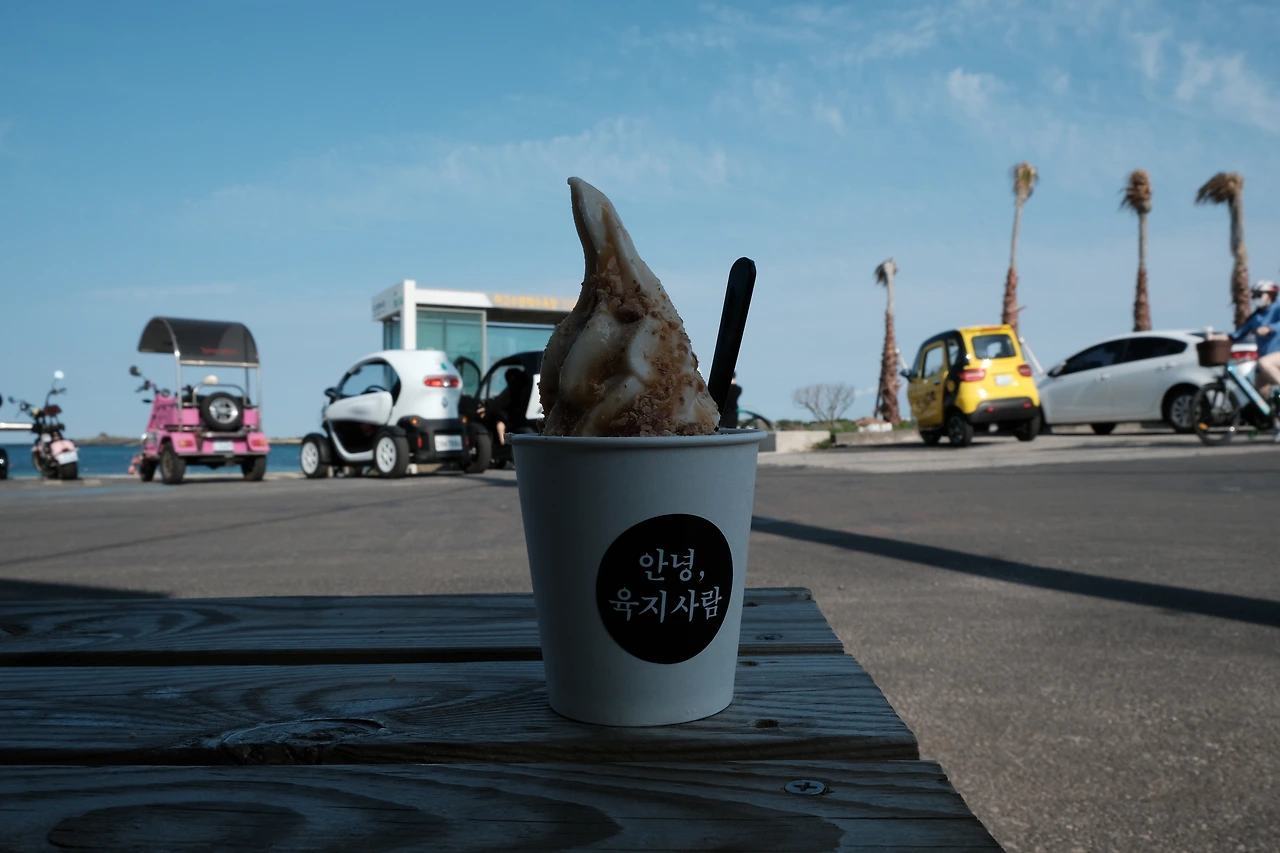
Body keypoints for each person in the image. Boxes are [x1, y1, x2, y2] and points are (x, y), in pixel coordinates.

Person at [1230, 281, 1280, 400]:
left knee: (1264, 363)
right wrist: (1216, 337)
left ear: (1270, 295)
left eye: (1259, 295)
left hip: (1274, 357)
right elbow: (1238, 334)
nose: (1256, 298)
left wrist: (1269, 328)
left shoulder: (1277, 309)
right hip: (1264, 359)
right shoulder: (1255, 316)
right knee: (1261, 398)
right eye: (1254, 295)